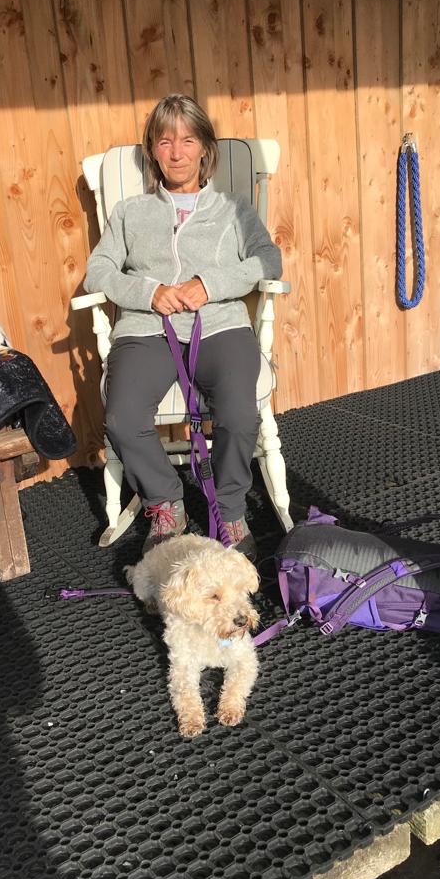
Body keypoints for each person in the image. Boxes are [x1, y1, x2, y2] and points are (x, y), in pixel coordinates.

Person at [84, 94, 282, 557]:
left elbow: (267, 259)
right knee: (122, 418)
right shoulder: (130, 212)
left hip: (220, 325)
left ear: (204, 149)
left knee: (238, 414)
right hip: (146, 329)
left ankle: (229, 509)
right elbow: (99, 271)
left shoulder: (233, 209)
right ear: (152, 150)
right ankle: (166, 502)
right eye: (165, 141)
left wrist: (209, 285)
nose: (176, 153)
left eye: (188, 140)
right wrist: (148, 292)